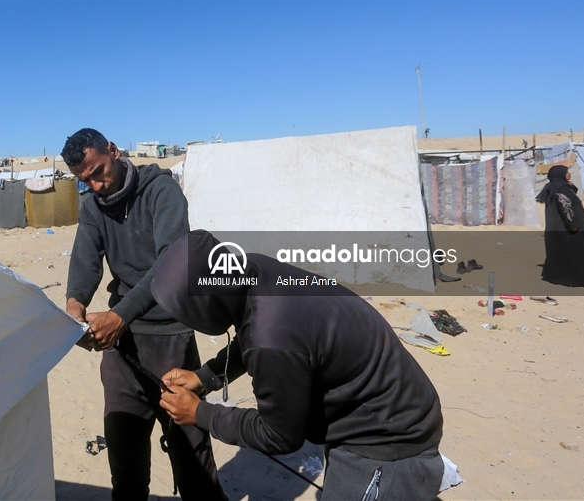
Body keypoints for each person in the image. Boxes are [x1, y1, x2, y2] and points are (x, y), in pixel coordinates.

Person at [153, 231, 446, 500]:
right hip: (389, 400)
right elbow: (258, 328)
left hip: (388, 441)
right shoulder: (253, 270)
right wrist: (207, 376)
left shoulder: (272, 339)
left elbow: (279, 436)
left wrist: (200, 413)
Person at [62, 129, 227, 501]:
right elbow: (85, 263)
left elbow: (172, 264)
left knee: (191, 456)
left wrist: (119, 315)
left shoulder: (161, 191)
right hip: (122, 351)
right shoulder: (91, 206)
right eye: (84, 180)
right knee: (125, 459)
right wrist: (75, 306)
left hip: (171, 336)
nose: (96, 184)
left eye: (99, 171)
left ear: (114, 151)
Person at [535, 165, 584, 288]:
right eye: (567, 172)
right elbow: (565, 206)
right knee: (578, 252)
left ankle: (558, 276)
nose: (569, 174)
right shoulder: (561, 189)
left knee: (561, 253)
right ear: (561, 174)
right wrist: (572, 224)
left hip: (556, 227)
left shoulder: (552, 186)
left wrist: (570, 187)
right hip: (567, 227)